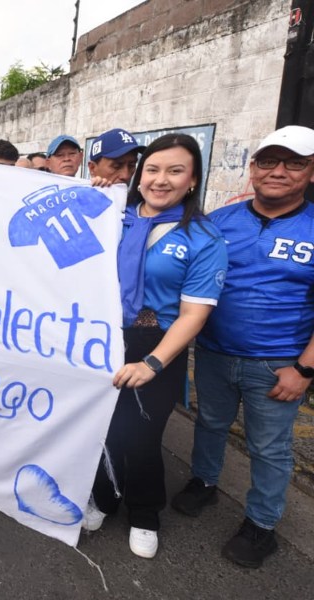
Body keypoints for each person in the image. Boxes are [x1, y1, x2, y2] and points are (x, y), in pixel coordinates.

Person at [170, 125, 314, 568]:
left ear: (311, 171)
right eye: (268, 161)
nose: (278, 171)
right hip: (214, 353)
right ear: (252, 169)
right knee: (210, 424)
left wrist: (304, 370)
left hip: (278, 364)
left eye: (294, 162)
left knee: (269, 448)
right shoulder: (219, 221)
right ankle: (205, 482)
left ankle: (261, 525)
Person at [85, 134, 228, 559]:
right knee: (104, 431)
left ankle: (145, 513)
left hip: (157, 344)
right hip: (102, 338)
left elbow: (193, 315)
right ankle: (105, 496)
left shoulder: (205, 238)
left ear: (193, 180)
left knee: (141, 437)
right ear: (139, 175)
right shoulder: (111, 215)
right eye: (152, 169)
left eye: (175, 171)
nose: (160, 180)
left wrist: (152, 362)